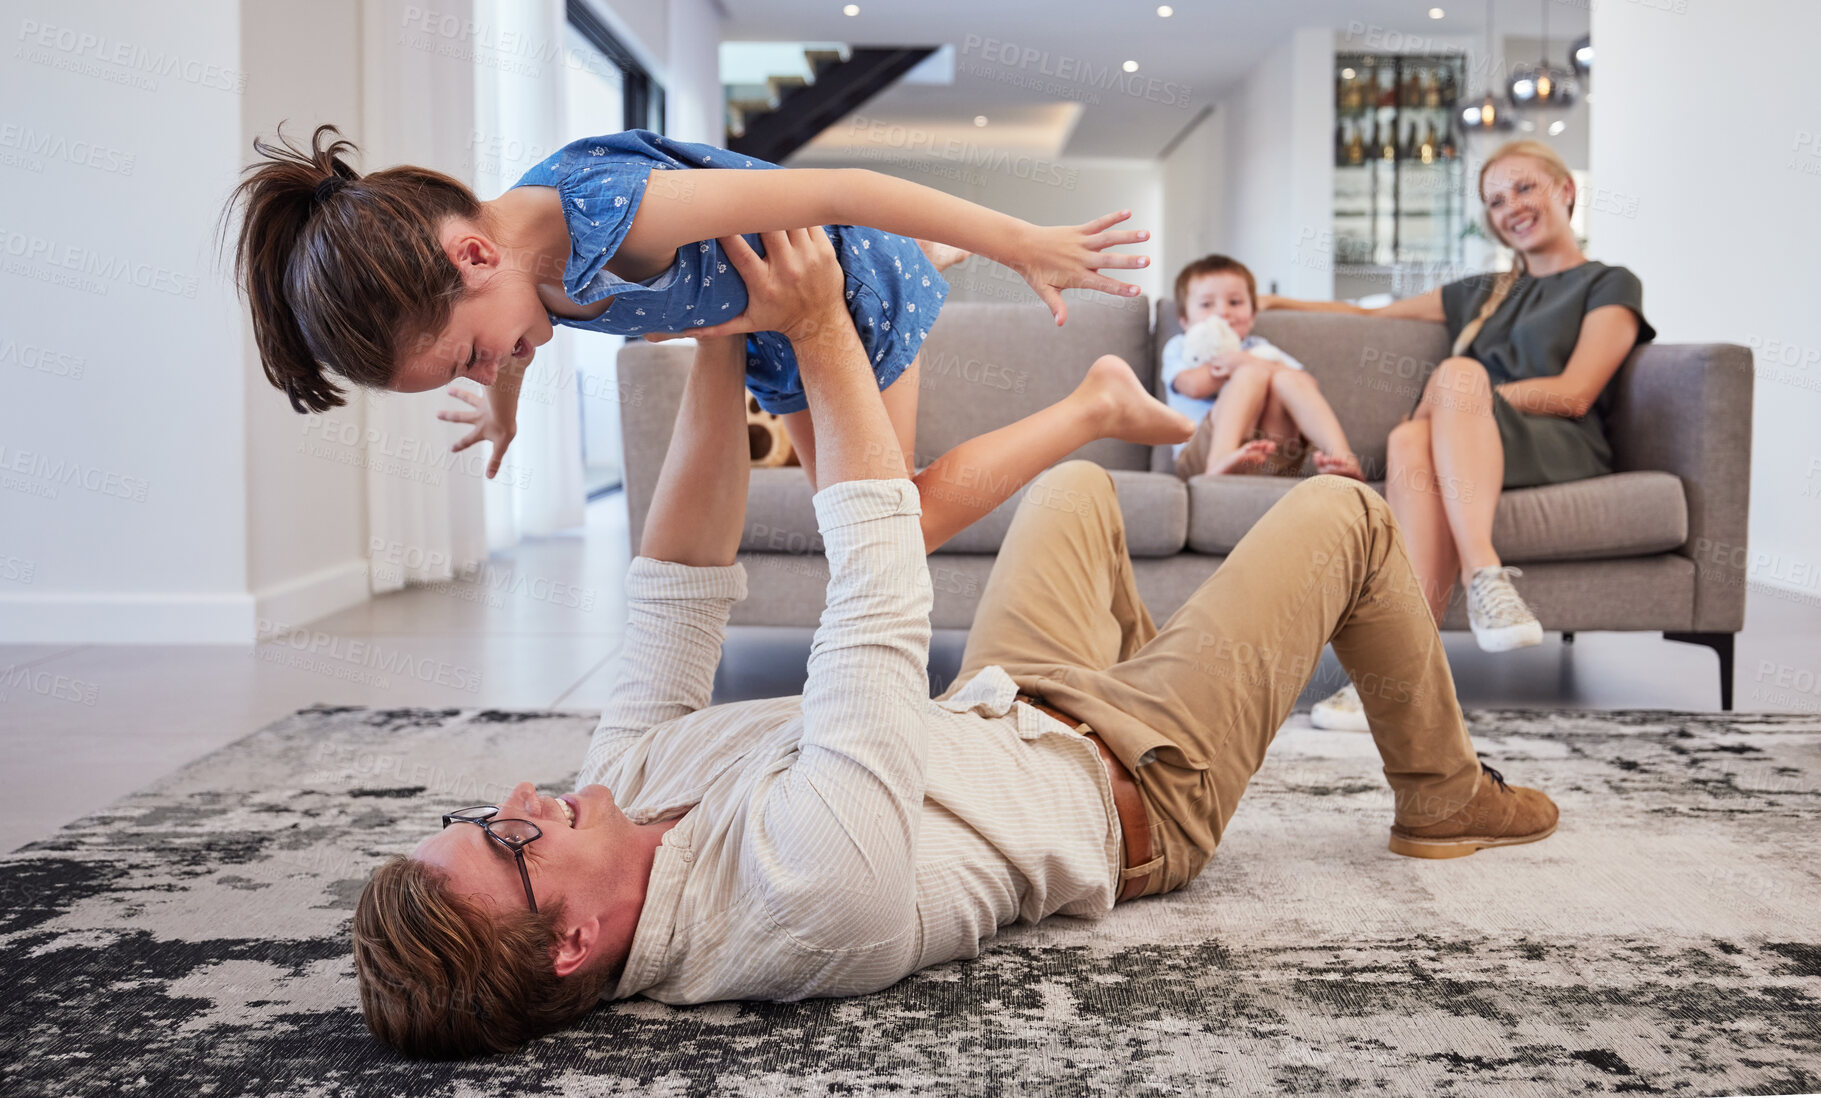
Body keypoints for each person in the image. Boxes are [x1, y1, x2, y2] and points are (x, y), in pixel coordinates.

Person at [350, 225, 1559, 1060]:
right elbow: (876, 596)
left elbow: (676, 589)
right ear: (571, 944)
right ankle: (1442, 795)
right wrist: (819, 335)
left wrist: (721, 332)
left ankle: (1167, 657)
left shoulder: (612, 803)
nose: (522, 795)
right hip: (1135, 783)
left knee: (1073, 498)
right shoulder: (804, 897)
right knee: (1346, 515)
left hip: (1008, 703)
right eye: (507, 836)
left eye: (485, 811)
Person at [223, 124, 1157, 547]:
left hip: (840, 297)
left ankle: (1095, 400)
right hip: (763, 332)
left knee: (887, 529)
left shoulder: (622, 213)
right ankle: (924, 263)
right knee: (871, 519)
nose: (500, 363)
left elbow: (841, 190)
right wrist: (501, 407)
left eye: (476, 357)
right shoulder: (511, 270)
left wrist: (1020, 241)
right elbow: (506, 334)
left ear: (473, 255)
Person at [1260, 140, 1656, 732]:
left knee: (1457, 375)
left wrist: (1461, 398)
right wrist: (1274, 303)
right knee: (1405, 442)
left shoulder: (1609, 282)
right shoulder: (1484, 291)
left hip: (1555, 442)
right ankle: (1398, 672)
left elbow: (1575, 391)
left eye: (1525, 188)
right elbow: (1370, 317)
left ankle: (1484, 574)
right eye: (1495, 201)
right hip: (1462, 442)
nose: (1511, 208)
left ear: (1565, 191)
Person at [1162, 255, 1363, 480]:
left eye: (1235, 302)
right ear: (1185, 320)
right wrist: (1232, 366)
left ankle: (1344, 458)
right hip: (1202, 455)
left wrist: (1251, 361)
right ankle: (1221, 458)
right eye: (1207, 304)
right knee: (1251, 373)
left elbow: (1306, 385)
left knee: (1285, 378)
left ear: (1252, 316)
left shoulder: (1259, 348)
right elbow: (1191, 386)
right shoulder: (1179, 347)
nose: (1222, 312)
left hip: (1272, 453)